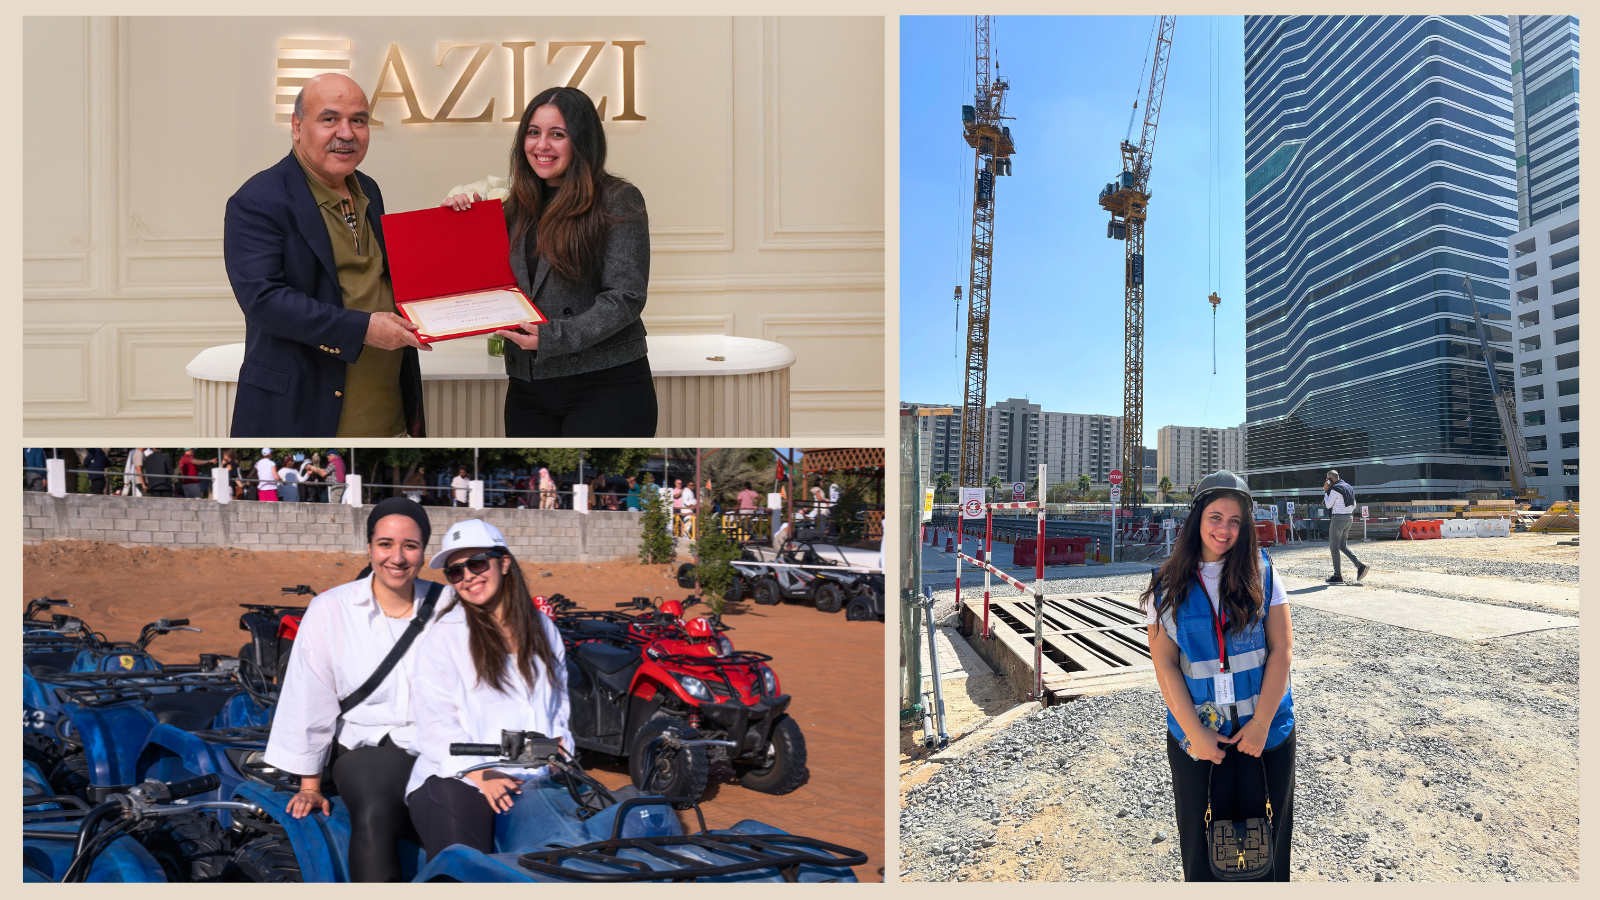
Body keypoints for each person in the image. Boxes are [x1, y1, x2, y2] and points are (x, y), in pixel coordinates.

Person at [440, 86, 655, 438]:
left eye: (558, 134)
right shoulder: (514, 207)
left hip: (605, 385)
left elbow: (626, 298)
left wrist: (552, 336)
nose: (542, 145)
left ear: (582, 141)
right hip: (528, 387)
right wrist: (463, 221)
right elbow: (481, 283)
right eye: (533, 132)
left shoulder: (618, 199)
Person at [223, 73, 427, 438]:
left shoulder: (369, 188)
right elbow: (264, 302)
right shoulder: (257, 200)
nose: (346, 133)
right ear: (297, 127)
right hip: (305, 415)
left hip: (386, 413)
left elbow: (383, 278)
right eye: (330, 119)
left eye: (358, 120)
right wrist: (363, 329)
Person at [263, 498, 450, 882]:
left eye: (410, 546)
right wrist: (310, 784)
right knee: (376, 811)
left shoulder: (450, 605)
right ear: (369, 547)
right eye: (385, 544)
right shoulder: (332, 608)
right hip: (368, 749)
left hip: (441, 747)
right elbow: (309, 695)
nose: (396, 557)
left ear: (424, 552)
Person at [1140, 470, 1296, 881]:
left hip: (1264, 736)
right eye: (1215, 517)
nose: (1224, 529)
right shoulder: (1166, 586)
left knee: (1270, 844)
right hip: (1200, 739)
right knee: (1200, 847)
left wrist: (1261, 724)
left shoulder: (1262, 574)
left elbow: (1282, 649)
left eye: (1234, 521)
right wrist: (1195, 733)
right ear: (1197, 519)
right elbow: (1165, 664)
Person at [406, 519, 570, 860]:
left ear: (504, 562)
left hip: (532, 780)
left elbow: (558, 705)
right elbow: (435, 723)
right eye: (455, 571)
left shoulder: (543, 629)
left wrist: (560, 748)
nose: (468, 576)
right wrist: (481, 772)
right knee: (469, 870)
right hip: (458, 778)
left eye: (477, 563)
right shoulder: (446, 636)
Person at [1323, 469, 1369, 584]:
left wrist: (1325, 491)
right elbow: (1354, 505)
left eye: (1327, 479)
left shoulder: (1334, 488)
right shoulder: (1348, 487)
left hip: (1338, 519)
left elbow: (1328, 505)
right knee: (1342, 546)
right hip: (1349, 518)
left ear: (1330, 479)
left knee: (1334, 548)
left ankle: (1337, 576)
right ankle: (1360, 566)